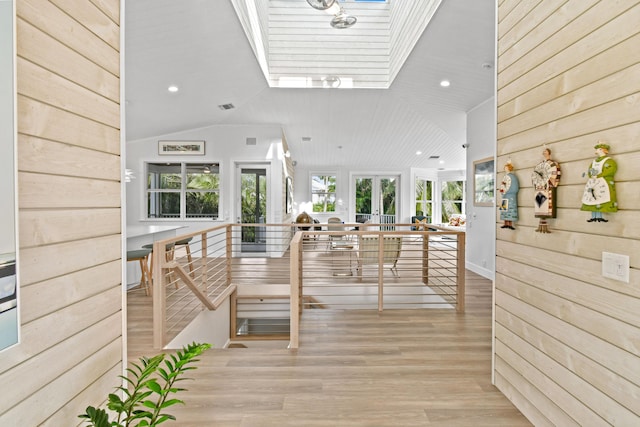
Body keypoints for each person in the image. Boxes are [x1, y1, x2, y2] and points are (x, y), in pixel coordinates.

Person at [581, 141, 617, 222]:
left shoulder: (609, 161)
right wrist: (591, 175)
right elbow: (590, 170)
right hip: (594, 183)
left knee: (601, 198)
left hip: (603, 183)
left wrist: (599, 175)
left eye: (598, 149)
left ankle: (599, 216)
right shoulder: (594, 162)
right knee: (592, 198)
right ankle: (594, 216)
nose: (597, 151)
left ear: (603, 150)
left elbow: (610, 170)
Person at [531, 147, 561, 233]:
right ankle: (541, 226)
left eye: (546, 152)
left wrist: (550, 183)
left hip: (547, 188)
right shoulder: (539, 165)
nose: (544, 153)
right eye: (543, 152)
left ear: (549, 153)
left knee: (546, 206)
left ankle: (544, 226)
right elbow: (534, 177)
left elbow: (555, 176)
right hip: (540, 189)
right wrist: (537, 184)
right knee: (540, 205)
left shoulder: (553, 164)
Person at [499, 161, 519, 230]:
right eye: (505, 168)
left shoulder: (512, 177)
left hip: (510, 196)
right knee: (504, 210)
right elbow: (503, 185)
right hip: (504, 196)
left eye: (506, 168)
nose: (505, 169)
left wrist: (507, 191)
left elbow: (514, 187)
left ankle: (510, 224)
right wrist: (502, 191)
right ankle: (505, 223)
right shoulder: (505, 177)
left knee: (510, 210)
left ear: (509, 168)